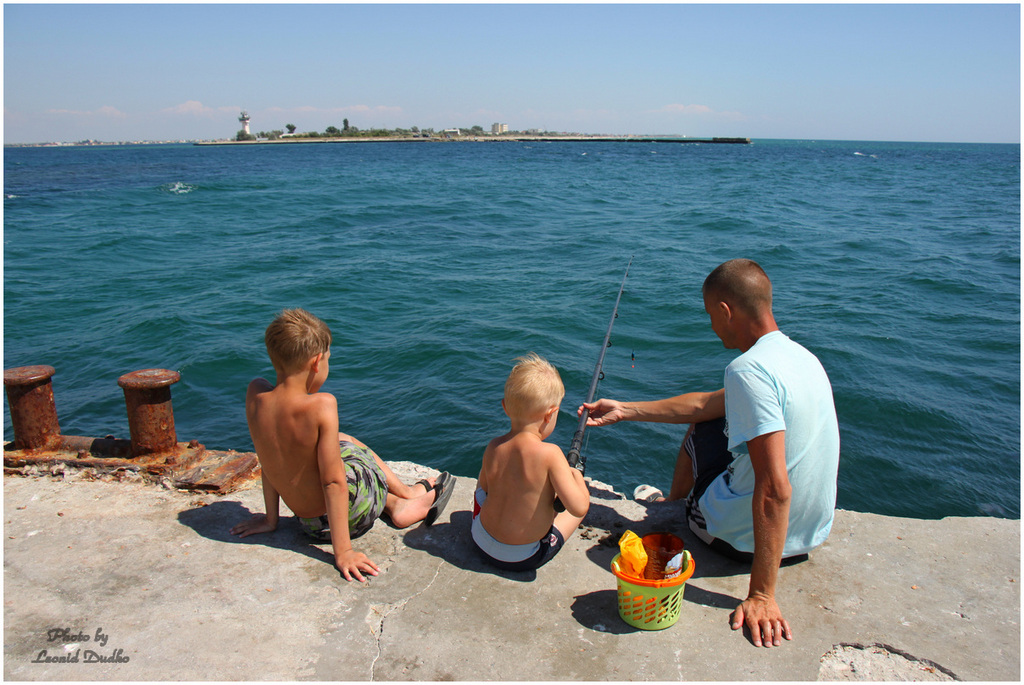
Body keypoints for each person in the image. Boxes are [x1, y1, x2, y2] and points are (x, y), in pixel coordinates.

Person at [580, 259, 840, 648]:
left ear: (726, 311)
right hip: (807, 536)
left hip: (741, 542)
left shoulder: (747, 370)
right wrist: (626, 410)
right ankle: (678, 503)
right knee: (713, 420)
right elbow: (707, 403)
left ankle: (673, 506)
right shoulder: (802, 358)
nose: (711, 325)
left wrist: (762, 596)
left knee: (701, 432)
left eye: (710, 315)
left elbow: (774, 489)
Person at [231, 308, 456, 582]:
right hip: (350, 519)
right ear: (316, 363)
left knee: (340, 441)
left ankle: (401, 499)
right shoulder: (321, 405)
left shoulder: (256, 394)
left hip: (309, 526)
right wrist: (344, 552)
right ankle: (403, 500)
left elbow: (267, 459)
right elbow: (333, 483)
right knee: (351, 449)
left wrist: (270, 521)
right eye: (327, 359)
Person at [471, 353, 590, 572]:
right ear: (550, 414)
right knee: (580, 506)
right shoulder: (551, 454)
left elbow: (482, 492)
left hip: (478, 540)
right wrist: (577, 477)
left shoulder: (494, 446)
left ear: (505, 407)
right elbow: (578, 507)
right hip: (521, 558)